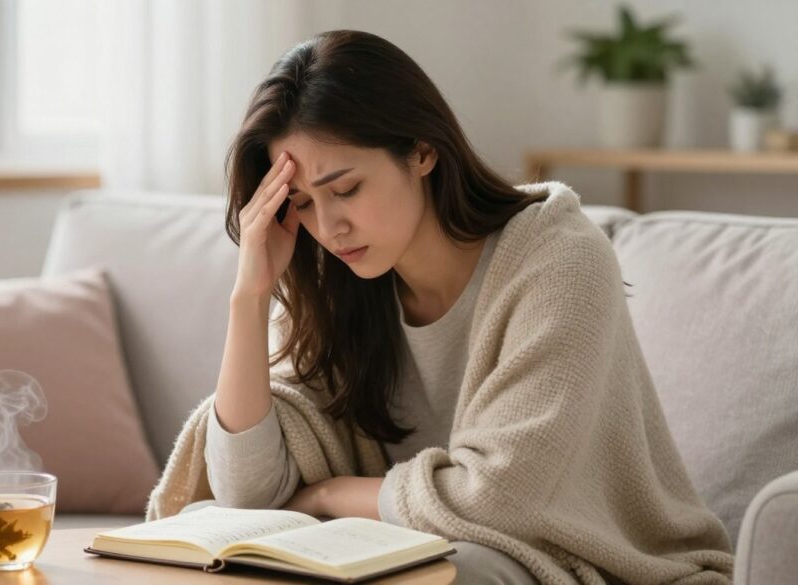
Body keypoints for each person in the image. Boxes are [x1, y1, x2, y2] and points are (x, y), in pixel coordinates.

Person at [146, 30, 734, 584]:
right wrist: (249, 296)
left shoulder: (561, 263)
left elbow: (503, 499)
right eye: (301, 203)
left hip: (577, 562)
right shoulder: (335, 283)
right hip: (415, 548)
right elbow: (247, 494)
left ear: (422, 151)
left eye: (346, 188)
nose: (328, 226)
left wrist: (328, 495)